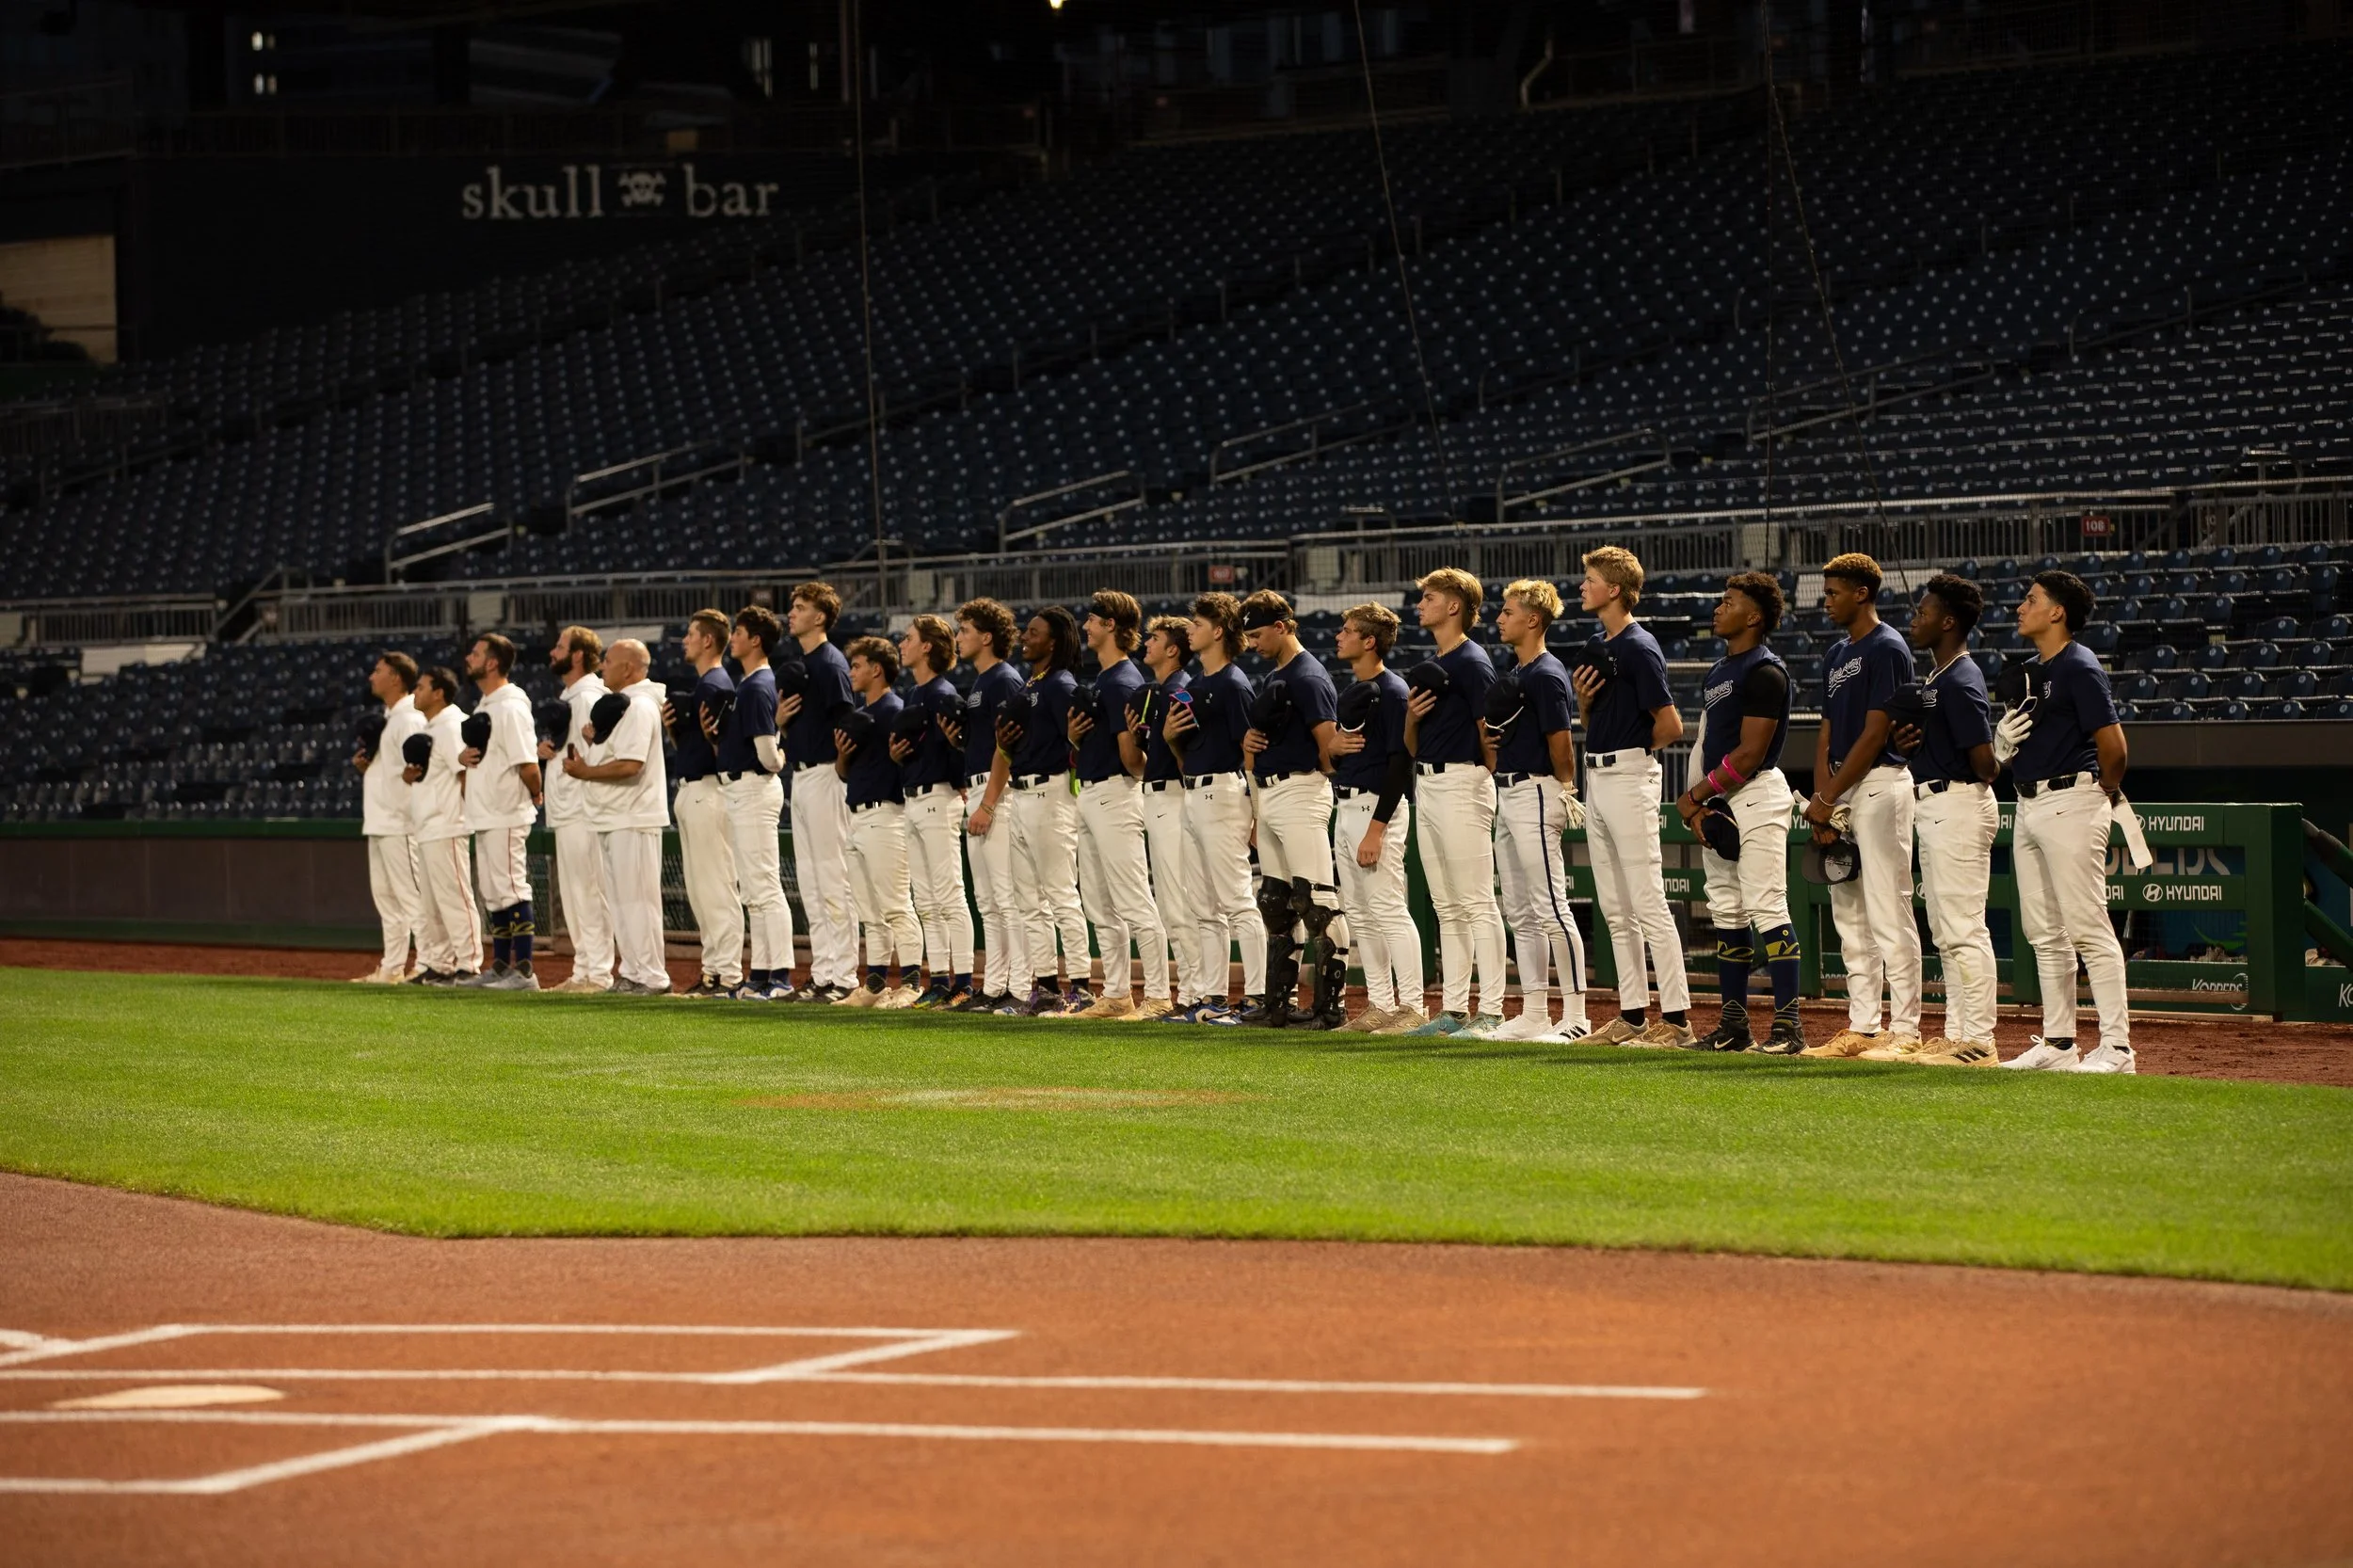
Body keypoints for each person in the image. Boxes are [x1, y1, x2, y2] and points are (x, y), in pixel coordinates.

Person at [1998, 570, 2136, 1074]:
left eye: (2031, 600)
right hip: (2028, 803)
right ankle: (2059, 1044)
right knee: (2043, 932)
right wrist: (2004, 750)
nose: (2021, 607)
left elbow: (2114, 749)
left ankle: (2117, 1049)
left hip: (2072, 800)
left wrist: (2098, 794)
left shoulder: (2079, 664)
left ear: (2057, 612)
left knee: (2087, 926)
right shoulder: (2034, 670)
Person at [1868, 576, 2001, 1066]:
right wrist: (1914, 748)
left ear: (1948, 622)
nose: (1914, 619)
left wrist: (1999, 751)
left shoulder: (1961, 679)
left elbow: (1985, 765)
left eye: (1923, 613)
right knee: (1947, 931)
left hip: (1960, 804)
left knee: (1964, 929)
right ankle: (1955, 1033)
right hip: (1937, 802)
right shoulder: (1937, 679)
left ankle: (1979, 1041)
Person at [1673, 574, 1806, 1055]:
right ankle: (1734, 1025)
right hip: (1718, 802)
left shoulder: (1764, 671)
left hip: (1756, 795)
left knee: (1767, 904)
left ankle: (1789, 1027)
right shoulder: (1719, 671)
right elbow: (1709, 745)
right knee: (1726, 909)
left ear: (1753, 616)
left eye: (1728, 602)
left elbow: (1750, 755)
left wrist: (1695, 796)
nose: (1717, 607)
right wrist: (1697, 805)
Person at [1802, 553, 1926, 1058]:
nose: (1825, 600)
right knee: (1849, 914)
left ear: (1861, 593)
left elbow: (1878, 731)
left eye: (1834, 592)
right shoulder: (1836, 655)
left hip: (1880, 783)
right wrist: (1821, 798)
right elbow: (1827, 731)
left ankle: (1908, 1029)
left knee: (1889, 907)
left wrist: (1829, 796)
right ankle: (1863, 1025)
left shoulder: (1888, 646)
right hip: (1841, 791)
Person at [1569, 546, 1692, 1046]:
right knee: (1615, 907)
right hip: (1597, 775)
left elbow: (1670, 725)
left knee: (1647, 901)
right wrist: (1583, 702)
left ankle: (1679, 1020)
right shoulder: (1602, 644)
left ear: (1614, 589)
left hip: (1627, 774)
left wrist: (1632, 754)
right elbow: (1597, 723)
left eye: (1591, 578)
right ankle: (1634, 1014)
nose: (1583, 586)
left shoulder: (1639, 646)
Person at [1401, 568, 1510, 1038]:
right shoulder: (1436, 661)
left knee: (1477, 901)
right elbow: (1411, 746)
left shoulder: (1472, 661)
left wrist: (1479, 777)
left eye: (1429, 597)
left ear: (1453, 606)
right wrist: (1409, 716)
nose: (1420, 604)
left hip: (1463, 782)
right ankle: (1454, 1009)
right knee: (1447, 905)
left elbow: (1492, 734)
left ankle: (1492, 1011)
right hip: (1426, 781)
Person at [1239, 589, 1347, 1030]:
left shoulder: (1308, 676)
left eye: (1259, 634)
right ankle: (1279, 1004)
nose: (1252, 644)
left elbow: (1328, 750)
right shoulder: (1280, 674)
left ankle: (1330, 1009)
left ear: (1282, 627)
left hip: (1302, 790)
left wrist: (1309, 777)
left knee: (1318, 902)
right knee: (1276, 904)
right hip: (1272, 793)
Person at [1487, 580, 1590, 1042]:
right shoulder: (1521, 669)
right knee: (1521, 910)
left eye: (1508, 612)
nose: (1500, 618)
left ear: (1533, 619)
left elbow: (1562, 745)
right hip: (1508, 791)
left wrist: (1563, 788)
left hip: (1536, 790)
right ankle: (1534, 1012)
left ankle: (1576, 1016)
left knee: (1551, 906)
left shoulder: (1547, 673)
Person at [1165, 591, 1267, 1023]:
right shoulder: (1200, 685)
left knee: (1238, 900)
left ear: (1219, 630)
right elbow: (1191, 753)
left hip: (1226, 793)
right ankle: (1212, 998)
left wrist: (1258, 813)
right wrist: (1171, 738)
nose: (1190, 629)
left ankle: (1259, 997)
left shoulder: (1232, 683)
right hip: (1194, 792)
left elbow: (1252, 749)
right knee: (1204, 907)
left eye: (1198, 623)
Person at [1067, 591, 1169, 1019]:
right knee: (1099, 903)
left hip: (1115, 794)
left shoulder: (1124, 681)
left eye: (1092, 619)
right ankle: (1116, 994)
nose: (1086, 626)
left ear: (1111, 625)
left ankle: (1160, 995)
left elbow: (1134, 762)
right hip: (1090, 793)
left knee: (1132, 901)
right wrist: (1076, 739)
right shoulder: (1108, 679)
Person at [1327, 603, 1427, 1034]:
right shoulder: (1356, 691)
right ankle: (1381, 1005)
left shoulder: (1392, 692)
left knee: (1389, 910)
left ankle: (1413, 1007)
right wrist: (1332, 748)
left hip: (1375, 808)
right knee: (1361, 914)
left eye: (1348, 630)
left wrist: (1377, 828)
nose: (1339, 636)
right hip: (1347, 804)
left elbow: (1399, 765)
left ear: (1370, 641)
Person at [999, 606, 1093, 1015]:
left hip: (1051, 794)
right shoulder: (1031, 685)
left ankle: (1082, 987)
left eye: (1034, 632)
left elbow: (1077, 748)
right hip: (1020, 795)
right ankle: (1047, 987)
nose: (1025, 636)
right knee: (1028, 901)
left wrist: (1070, 746)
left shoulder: (1061, 686)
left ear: (1053, 641)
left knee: (1059, 894)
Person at [565, 638, 670, 995]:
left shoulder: (640, 705)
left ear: (628, 668)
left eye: (608, 661)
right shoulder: (624, 706)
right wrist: (594, 746)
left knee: (639, 901)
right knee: (624, 903)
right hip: (614, 816)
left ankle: (652, 976)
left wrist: (583, 773)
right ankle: (634, 971)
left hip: (634, 815)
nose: (602, 667)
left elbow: (631, 764)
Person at [834, 635, 923, 1008]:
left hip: (887, 814)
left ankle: (913, 983)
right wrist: (841, 754)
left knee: (895, 905)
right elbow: (844, 773)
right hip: (856, 814)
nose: (851, 671)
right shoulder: (860, 715)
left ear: (876, 669)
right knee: (869, 911)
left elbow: (909, 765)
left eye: (857, 665)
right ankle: (874, 986)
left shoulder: (895, 711)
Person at [780, 582, 858, 1003]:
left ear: (820, 617)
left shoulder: (829, 663)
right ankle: (823, 972)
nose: (792, 612)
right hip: (802, 775)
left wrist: (842, 770)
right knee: (811, 881)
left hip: (828, 775)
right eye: (793, 606)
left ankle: (843, 976)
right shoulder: (803, 664)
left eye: (800, 606)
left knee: (833, 878)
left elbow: (847, 722)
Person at [892, 614, 975, 1009]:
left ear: (927, 646)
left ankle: (963, 982)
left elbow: (962, 751)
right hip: (913, 798)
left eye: (908, 638)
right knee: (925, 898)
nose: (902, 644)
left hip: (939, 798)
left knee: (949, 895)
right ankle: (939, 979)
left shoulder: (945, 695)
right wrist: (898, 758)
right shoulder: (913, 695)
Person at [717, 604, 798, 1001]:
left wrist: (779, 754)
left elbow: (768, 756)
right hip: (743, 788)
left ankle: (778, 976)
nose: (733, 637)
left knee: (763, 886)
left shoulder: (756, 685)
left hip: (753, 786)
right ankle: (762, 973)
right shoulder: (751, 683)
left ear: (756, 640)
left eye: (739, 632)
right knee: (754, 888)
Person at [954, 599, 1030, 1014]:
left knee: (1007, 897)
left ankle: (1018, 988)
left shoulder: (1003, 679)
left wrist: (988, 803)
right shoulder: (982, 681)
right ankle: (995, 985)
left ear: (987, 637)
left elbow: (1009, 748)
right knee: (988, 899)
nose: (958, 637)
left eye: (964, 630)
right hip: (981, 791)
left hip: (998, 795)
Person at [456, 632, 543, 991]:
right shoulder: (486, 705)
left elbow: (528, 762)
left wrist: (536, 794)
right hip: (487, 812)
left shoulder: (510, 706)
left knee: (511, 888)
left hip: (507, 811)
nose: (469, 658)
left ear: (492, 662)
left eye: (476, 653)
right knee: (494, 892)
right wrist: (463, 760)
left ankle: (523, 972)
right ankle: (501, 966)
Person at [666, 610, 743, 999]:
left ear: (708, 641)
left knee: (716, 887)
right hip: (694, 789)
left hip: (711, 791)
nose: (685, 640)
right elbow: (698, 748)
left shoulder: (716, 686)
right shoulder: (706, 685)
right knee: (700, 890)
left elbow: (722, 750)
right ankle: (713, 970)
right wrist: (677, 731)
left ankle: (728, 974)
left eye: (691, 634)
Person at [1133, 616, 1208, 1019]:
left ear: (1173, 650)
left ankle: (1196, 994)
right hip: (1158, 797)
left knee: (1181, 903)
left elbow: (1187, 755)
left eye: (1155, 638)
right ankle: (1192, 992)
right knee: (1172, 903)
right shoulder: (1162, 692)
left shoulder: (1179, 691)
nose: (1147, 643)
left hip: (1175, 799)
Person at [538, 626, 615, 995]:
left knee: (589, 891)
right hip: (567, 807)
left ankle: (598, 972)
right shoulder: (570, 695)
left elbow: (594, 752)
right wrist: (546, 751)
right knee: (575, 894)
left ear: (579, 655)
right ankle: (584, 968)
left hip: (585, 806)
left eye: (560, 647)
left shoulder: (588, 696)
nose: (553, 652)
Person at [354, 650, 425, 984]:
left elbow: (419, 771)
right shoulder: (391, 717)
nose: (372, 676)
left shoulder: (410, 717)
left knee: (411, 897)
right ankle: (393, 965)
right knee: (387, 899)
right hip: (381, 820)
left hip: (401, 822)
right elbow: (397, 770)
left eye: (378, 670)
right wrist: (371, 768)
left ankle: (428, 962)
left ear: (396, 677)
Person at [405, 666, 479, 984]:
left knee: (455, 897)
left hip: (448, 824)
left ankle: (468, 963)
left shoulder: (451, 725)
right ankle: (441, 962)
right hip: (429, 825)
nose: (415, 692)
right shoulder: (433, 726)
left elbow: (465, 775)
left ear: (438, 693)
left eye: (420, 687)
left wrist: (462, 817)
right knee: (432, 902)